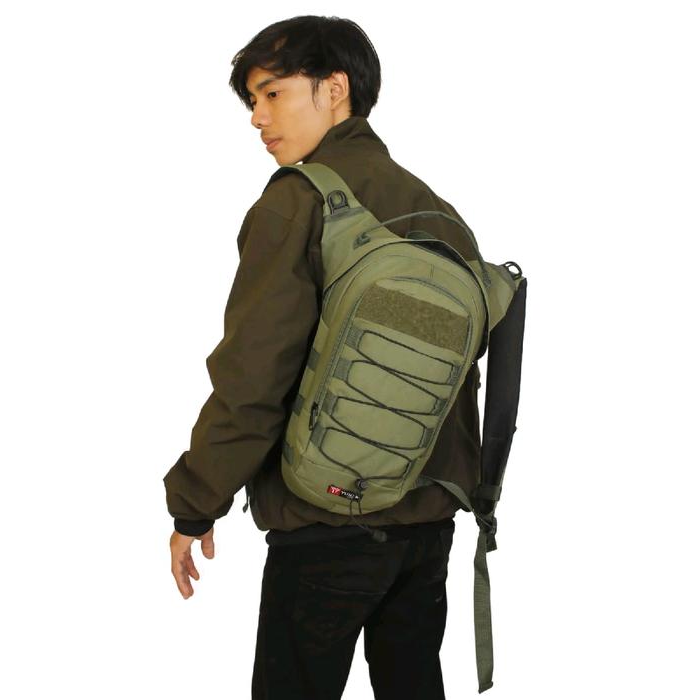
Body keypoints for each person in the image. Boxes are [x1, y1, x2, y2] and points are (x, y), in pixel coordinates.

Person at [163, 14, 485, 700]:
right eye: (252, 101)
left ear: (334, 89)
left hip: (326, 522)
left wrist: (195, 503)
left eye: (273, 93)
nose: (258, 118)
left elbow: (254, 373)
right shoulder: (438, 212)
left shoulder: (300, 201)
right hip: (428, 525)